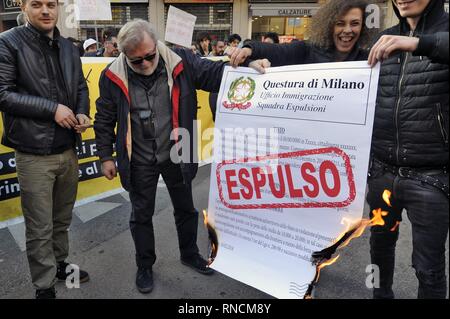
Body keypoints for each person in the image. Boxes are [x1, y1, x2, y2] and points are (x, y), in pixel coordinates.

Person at [94, 19, 227, 294]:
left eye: (149, 56)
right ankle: (144, 266)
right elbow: (104, 119)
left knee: (186, 209)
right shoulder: (111, 76)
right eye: (136, 60)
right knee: (141, 215)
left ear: (156, 44)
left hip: (180, 148)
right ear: (124, 55)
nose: (144, 64)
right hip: (139, 156)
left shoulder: (183, 61)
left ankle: (190, 254)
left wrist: (246, 62)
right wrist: (106, 156)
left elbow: (217, 74)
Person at [0, 0, 91, 299]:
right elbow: (3, 94)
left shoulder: (68, 47)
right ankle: (44, 286)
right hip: (33, 152)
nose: (45, 11)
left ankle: (61, 265)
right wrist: (52, 109)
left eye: (51, 4)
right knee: (39, 227)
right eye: (36, 4)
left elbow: (80, 87)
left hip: (67, 149)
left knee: (61, 219)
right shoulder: (8, 42)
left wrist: (80, 111)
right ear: (24, 7)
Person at [366, 0, 448, 299]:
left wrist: (418, 44)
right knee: (379, 252)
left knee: (429, 268)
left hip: (431, 177)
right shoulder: (383, 37)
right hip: (381, 172)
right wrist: (257, 52)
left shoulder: (441, 33)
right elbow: (326, 60)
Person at [229, 0, 370, 71]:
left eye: (355, 23)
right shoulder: (308, 50)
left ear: (363, 26)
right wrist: (249, 49)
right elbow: (278, 51)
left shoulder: (369, 61)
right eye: (340, 23)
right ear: (329, 26)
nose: (347, 30)